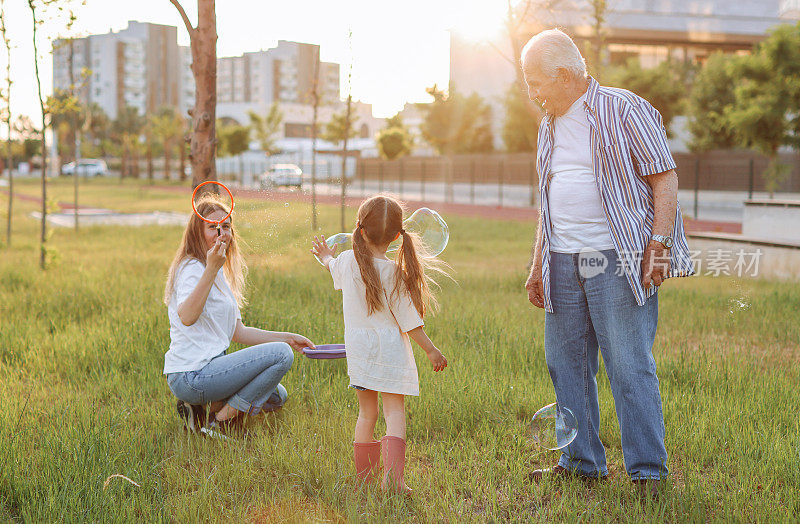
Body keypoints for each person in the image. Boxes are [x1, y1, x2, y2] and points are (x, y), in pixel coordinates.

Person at [521, 29, 694, 495]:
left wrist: (658, 244)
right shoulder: (548, 125)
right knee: (566, 363)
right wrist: (537, 264)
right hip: (561, 258)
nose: (531, 93)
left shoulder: (625, 108)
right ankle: (582, 463)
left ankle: (648, 473)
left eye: (535, 82)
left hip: (615, 258)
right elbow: (548, 202)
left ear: (563, 75)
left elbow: (665, 178)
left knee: (628, 363)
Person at [310, 195, 448, 493]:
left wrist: (323, 255)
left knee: (366, 413)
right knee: (394, 413)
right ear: (398, 236)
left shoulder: (347, 262)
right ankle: (393, 482)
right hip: (391, 354)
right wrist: (430, 349)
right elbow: (409, 322)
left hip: (360, 353)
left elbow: (330, 264)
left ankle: (365, 479)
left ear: (359, 229)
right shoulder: (395, 273)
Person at [163, 195, 314, 439]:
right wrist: (211, 268)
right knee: (280, 356)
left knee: (276, 396)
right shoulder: (192, 268)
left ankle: (200, 409)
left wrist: (288, 338)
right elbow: (187, 317)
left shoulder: (219, 273)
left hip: (211, 369)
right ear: (196, 232)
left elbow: (238, 332)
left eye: (225, 226)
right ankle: (219, 423)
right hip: (191, 375)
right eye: (212, 227)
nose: (220, 232)